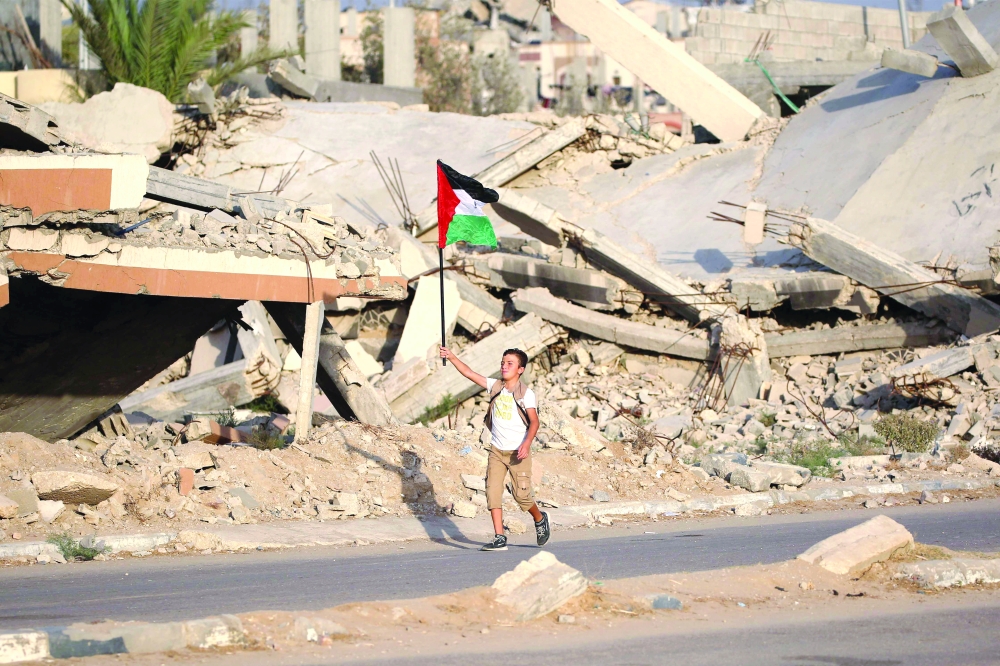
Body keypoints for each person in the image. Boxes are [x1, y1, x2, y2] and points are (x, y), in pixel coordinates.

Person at [439, 345, 551, 552]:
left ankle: (540, 518)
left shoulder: (526, 394)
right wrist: (452, 357)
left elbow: (534, 422)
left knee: (522, 496)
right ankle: (499, 536)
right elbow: (469, 373)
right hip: (497, 451)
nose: (504, 366)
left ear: (520, 369)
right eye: (502, 362)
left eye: (510, 363)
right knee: (492, 492)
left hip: (518, 452)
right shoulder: (495, 386)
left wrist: (526, 444)